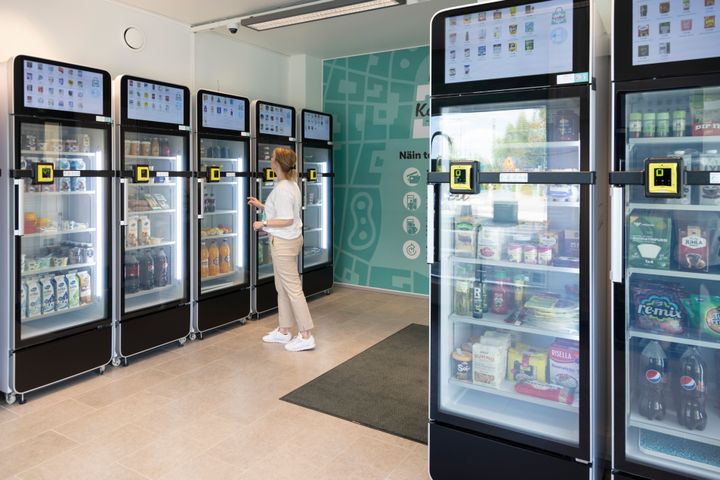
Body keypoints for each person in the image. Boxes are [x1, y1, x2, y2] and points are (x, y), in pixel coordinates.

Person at [247, 147, 316, 352]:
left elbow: (287, 219)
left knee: (293, 289)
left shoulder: (284, 188)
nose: (270, 159)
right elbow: (283, 210)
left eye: (273, 157)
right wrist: (261, 205)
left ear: (277, 163)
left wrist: (263, 223)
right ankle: (284, 330)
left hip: (284, 243)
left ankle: (306, 335)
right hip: (289, 241)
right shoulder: (289, 184)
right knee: (282, 287)